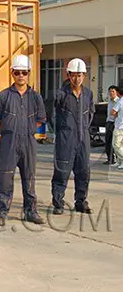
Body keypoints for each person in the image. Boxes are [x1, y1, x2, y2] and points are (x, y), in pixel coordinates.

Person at [0, 55, 47, 226]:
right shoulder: (3, 96)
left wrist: (28, 129)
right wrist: (7, 130)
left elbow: (40, 119)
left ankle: (31, 211)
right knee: (5, 177)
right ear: (12, 73)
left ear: (29, 74)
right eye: (18, 72)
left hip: (28, 142)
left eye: (24, 72)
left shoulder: (35, 97)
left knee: (29, 177)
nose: (21, 75)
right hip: (9, 141)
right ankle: (1, 212)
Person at [51, 58, 95, 215]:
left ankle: (81, 202)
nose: (77, 79)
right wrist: (61, 131)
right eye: (74, 75)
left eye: (80, 75)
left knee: (83, 171)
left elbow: (90, 113)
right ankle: (58, 203)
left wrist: (83, 129)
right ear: (68, 75)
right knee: (62, 171)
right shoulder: (60, 94)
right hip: (65, 138)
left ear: (84, 75)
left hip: (83, 138)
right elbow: (52, 114)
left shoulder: (88, 94)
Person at [105, 86, 119, 164]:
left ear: (116, 92)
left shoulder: (119, 101)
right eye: (110, 91)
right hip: (109, 122)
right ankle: (110, 159)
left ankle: (117, 159)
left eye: (113, 91)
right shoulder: (110, 101)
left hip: (116, 123)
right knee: (108, 141)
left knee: (116, 142)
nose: (111, 93)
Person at [111, 86, 123, 169]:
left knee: (116, 145)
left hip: (119, 126)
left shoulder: (120, 101)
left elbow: (113, 112)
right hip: (120, 125)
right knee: (119, 144)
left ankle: (122, 159)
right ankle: (119, 161)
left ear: (118, 93)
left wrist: (116, 115)